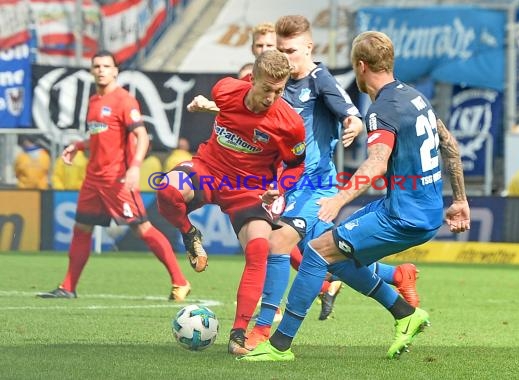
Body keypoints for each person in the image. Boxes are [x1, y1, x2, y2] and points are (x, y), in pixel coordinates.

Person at [238, 31, 471, 362]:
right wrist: (460, 200)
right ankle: (406, 312)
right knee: (332, 251)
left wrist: (338, 199)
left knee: (318, 254)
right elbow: (449, 143)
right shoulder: (415, 97)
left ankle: (278, 346)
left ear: (360, 67)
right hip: (412, 207)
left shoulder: (381, 109)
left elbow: (376, 163)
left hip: (404, 217)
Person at [155, 50, 306, 355]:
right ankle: (189, 233)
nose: (271, 98)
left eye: (279, 91)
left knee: (259, 248)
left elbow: (296, 164)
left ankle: (239, 333)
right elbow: (226, 109)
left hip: (250, 190)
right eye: (266, 89)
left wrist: (280, 187)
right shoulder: (224, 90)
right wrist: (203, 105)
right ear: (252, 80)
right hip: (208, 170)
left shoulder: (289, 124)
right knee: (166, 189)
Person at [37, 50, 191, 302]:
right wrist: (78, 145)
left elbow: (141, 136)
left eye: (106, 66)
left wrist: (134, 167)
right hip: (93, 180)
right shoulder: (94, 101)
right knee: (81, 228)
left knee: (143, 228)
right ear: (91, 70)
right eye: (96, 65)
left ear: (116, 70)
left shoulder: (124, 101)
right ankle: (68, 287)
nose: (101, 70)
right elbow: (100, 137)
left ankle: (180, 281)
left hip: (117, 180)